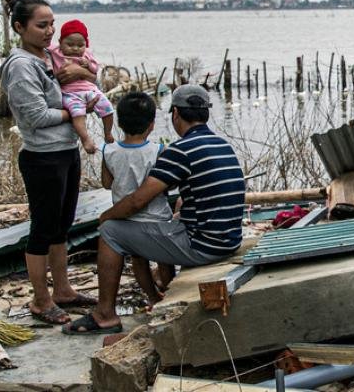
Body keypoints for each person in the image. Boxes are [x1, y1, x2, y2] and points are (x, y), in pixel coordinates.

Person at [63, 84, 246, 334]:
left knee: (110, 231)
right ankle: (161, 289)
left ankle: (105, 314)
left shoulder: (181, 150)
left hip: (204, 247)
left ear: (175, 115)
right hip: (228, 239)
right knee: (169, 216)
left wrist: (106, 216)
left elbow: (137, 201)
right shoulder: (221, 144)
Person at [0, 0, 99, 325]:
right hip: (43, 157)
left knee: (61, 227)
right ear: (19, 27)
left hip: (65, 151)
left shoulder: (46, 58)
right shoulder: (22, 66)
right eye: (42, 25)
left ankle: (64, 290)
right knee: (42, 229)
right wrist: (74, 112)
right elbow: (35, 117)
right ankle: (41, 300)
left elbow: (87, 78)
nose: (50, 31)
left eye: (52, 23)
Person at [100, 91, 175, 305]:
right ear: (151, 124)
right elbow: (166, 183)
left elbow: (106, 183)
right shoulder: (158, 150)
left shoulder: (109, 151)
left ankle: (152, 297)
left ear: (120, 124)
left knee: (139, 262)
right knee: (165, 261)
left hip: (127, 224)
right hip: (158, 220)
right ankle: (170, 297)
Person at [49, 19, 115, 154]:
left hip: (89, 90)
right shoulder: (56, 52)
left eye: (80, 45)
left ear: (86, 44)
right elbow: (42, 45)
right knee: (77, 113)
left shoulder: (86, 55)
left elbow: (95, 69)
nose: (75, 48)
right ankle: (85, 139)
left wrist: (87, 65)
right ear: (60, 42)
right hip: (69, 93)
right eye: (70, 44)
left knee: (107, 107)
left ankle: (108, 133)